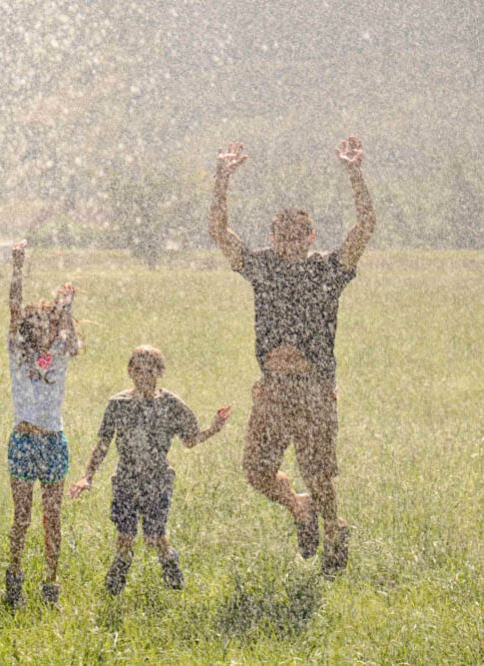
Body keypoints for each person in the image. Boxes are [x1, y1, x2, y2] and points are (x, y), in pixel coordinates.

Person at [209, 137, 377, 576]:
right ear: (272, 237)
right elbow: (219, 233)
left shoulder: (327, 270)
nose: (289, 243)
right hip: (273, 389)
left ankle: (333, 532)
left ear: (310, 237)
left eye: (297, 236)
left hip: (313, 389)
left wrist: (355, 173)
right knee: (257, 471)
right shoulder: (262, 267)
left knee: (319, 475)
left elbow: (365, 227)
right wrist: (221, 179)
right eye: (281, 236)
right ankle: (300, 508)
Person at [69, 346, 231, 594]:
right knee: (125, 537)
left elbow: (190, 440)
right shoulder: (118, 404)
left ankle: (169, 560)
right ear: (129, 371)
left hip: (158, 479)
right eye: (138, 370)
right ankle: (117, 579)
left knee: (154, 537)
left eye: (150, 371)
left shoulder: (171, 404)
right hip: (125, 479)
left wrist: (214, 428)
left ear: (160, 372)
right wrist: (87, 477)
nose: (144, 376)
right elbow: (103, 443)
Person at [3, 240, 80, 607]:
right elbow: (13, 307)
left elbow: (72, 339)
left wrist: (66, 308)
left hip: (52, 441)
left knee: (52, 517)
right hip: (23, 440)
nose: (36, 328)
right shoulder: (18, 354)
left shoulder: (61, 353)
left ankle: (51, 584)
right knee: (22, 517)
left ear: (53, 326)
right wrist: (18, 266)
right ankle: (14, 578)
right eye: (31, 323)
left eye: (43, 322)